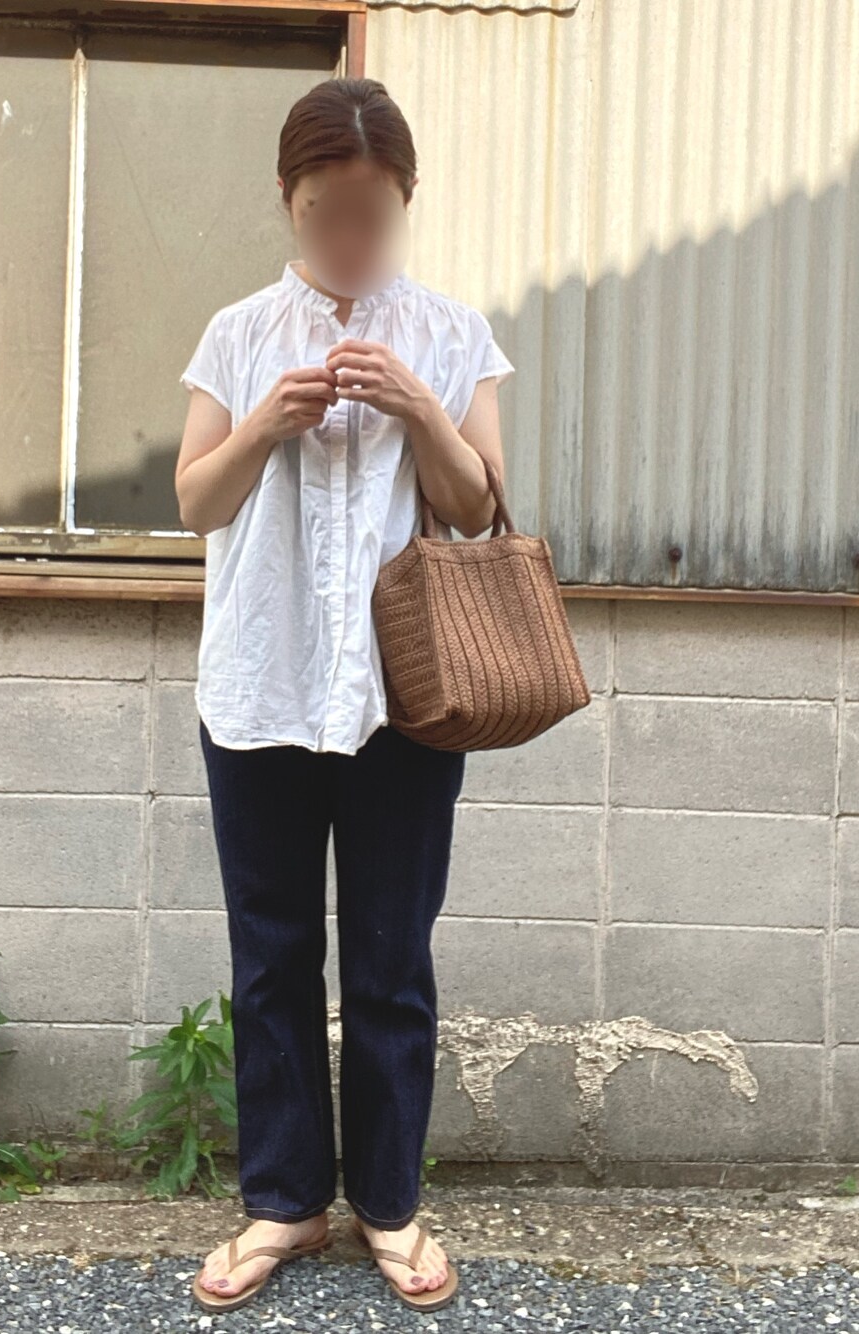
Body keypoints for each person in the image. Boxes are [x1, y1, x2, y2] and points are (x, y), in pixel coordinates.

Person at [174, 76, 515, 1314]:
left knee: (388, 955)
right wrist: (265, 421)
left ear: (404, 201)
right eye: (328, 212)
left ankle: (388, 1201)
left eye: (374, 213)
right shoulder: (237, 333)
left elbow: (476, 504)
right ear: (289, 199)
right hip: (259, 685)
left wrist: (418, 402)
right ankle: (283, 1200)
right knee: (270, 953)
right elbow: (195, 501)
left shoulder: (453, 332)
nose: (352, 238)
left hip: (402, 698)